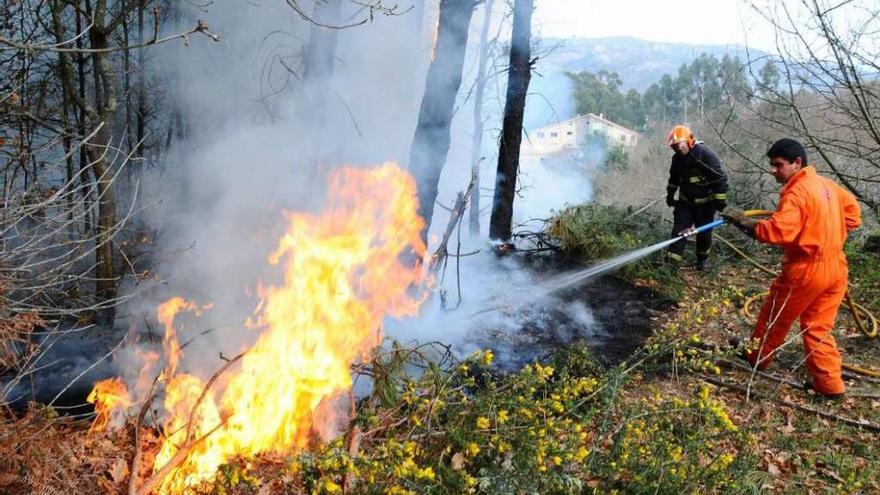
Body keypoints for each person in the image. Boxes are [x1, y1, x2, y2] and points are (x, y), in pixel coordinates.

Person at [723, 138, 861, 398]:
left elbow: (777, 232)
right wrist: (825, 228)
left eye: (779, 165)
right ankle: (830, 386)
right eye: (772, 165)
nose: (773, 170)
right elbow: (853, 216)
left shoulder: (798, 193)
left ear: (798, 163)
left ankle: (756, 356)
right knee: (818, 327)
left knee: (774, 316)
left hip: (807, 270)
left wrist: (742, 222)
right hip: (836, 268)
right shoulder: (827, 185)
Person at [664, 125, 729, 270]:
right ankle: (670, 266)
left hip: (705, 205)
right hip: (685, 203)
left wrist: (720, 201)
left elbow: (720, 180)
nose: (678, 149)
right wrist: (670, 194)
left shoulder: (705, 155)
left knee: (704, 234)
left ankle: (702, 261)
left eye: (679, 146)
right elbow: (673, 179)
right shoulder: (677, 160)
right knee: (678, 232)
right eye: (674, 147)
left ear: (689, 141)